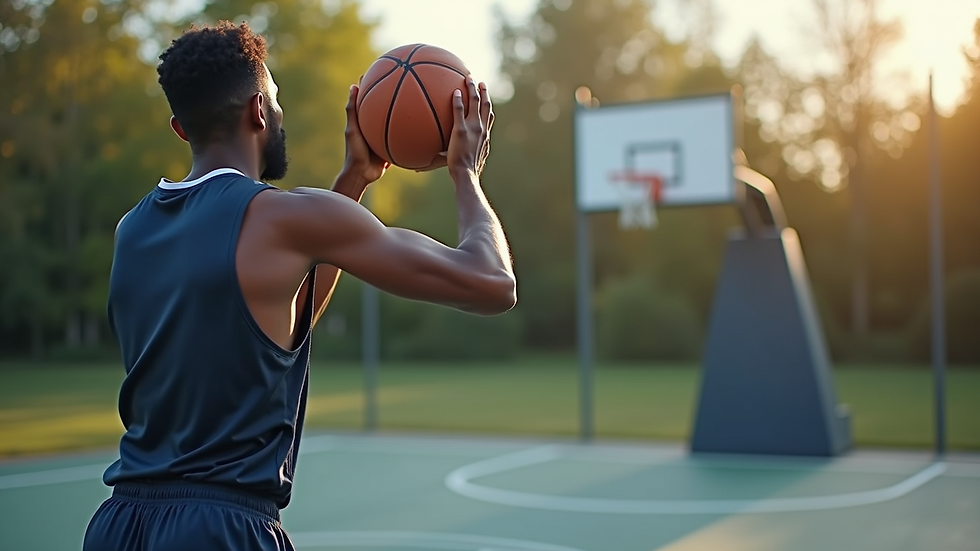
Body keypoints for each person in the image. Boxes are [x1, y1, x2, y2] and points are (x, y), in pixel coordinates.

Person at [82, 21, 515, 551]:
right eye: (276, 98)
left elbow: (273, 323)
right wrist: (465, 172)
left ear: (180, 128)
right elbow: (491, 283)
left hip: (120, 525)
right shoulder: (284, 218)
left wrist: (353, 179)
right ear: (259, 111)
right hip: (220, 529)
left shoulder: (134, 229)